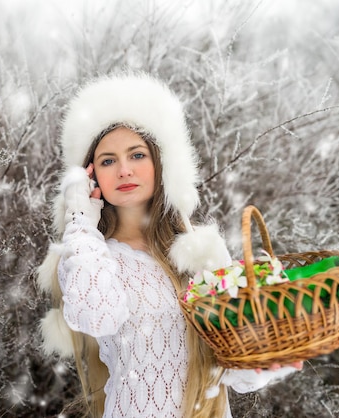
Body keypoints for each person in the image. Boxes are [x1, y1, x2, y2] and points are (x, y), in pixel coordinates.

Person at [36, 73, 301, 418]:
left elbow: (234, 369)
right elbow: (96, 316)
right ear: (90, 176)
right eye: (108, 160)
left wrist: (266, 357)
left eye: (137, 155)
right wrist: (81, 221)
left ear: (162, 164)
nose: (124, 170)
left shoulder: (200, 254)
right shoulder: (89, 255)